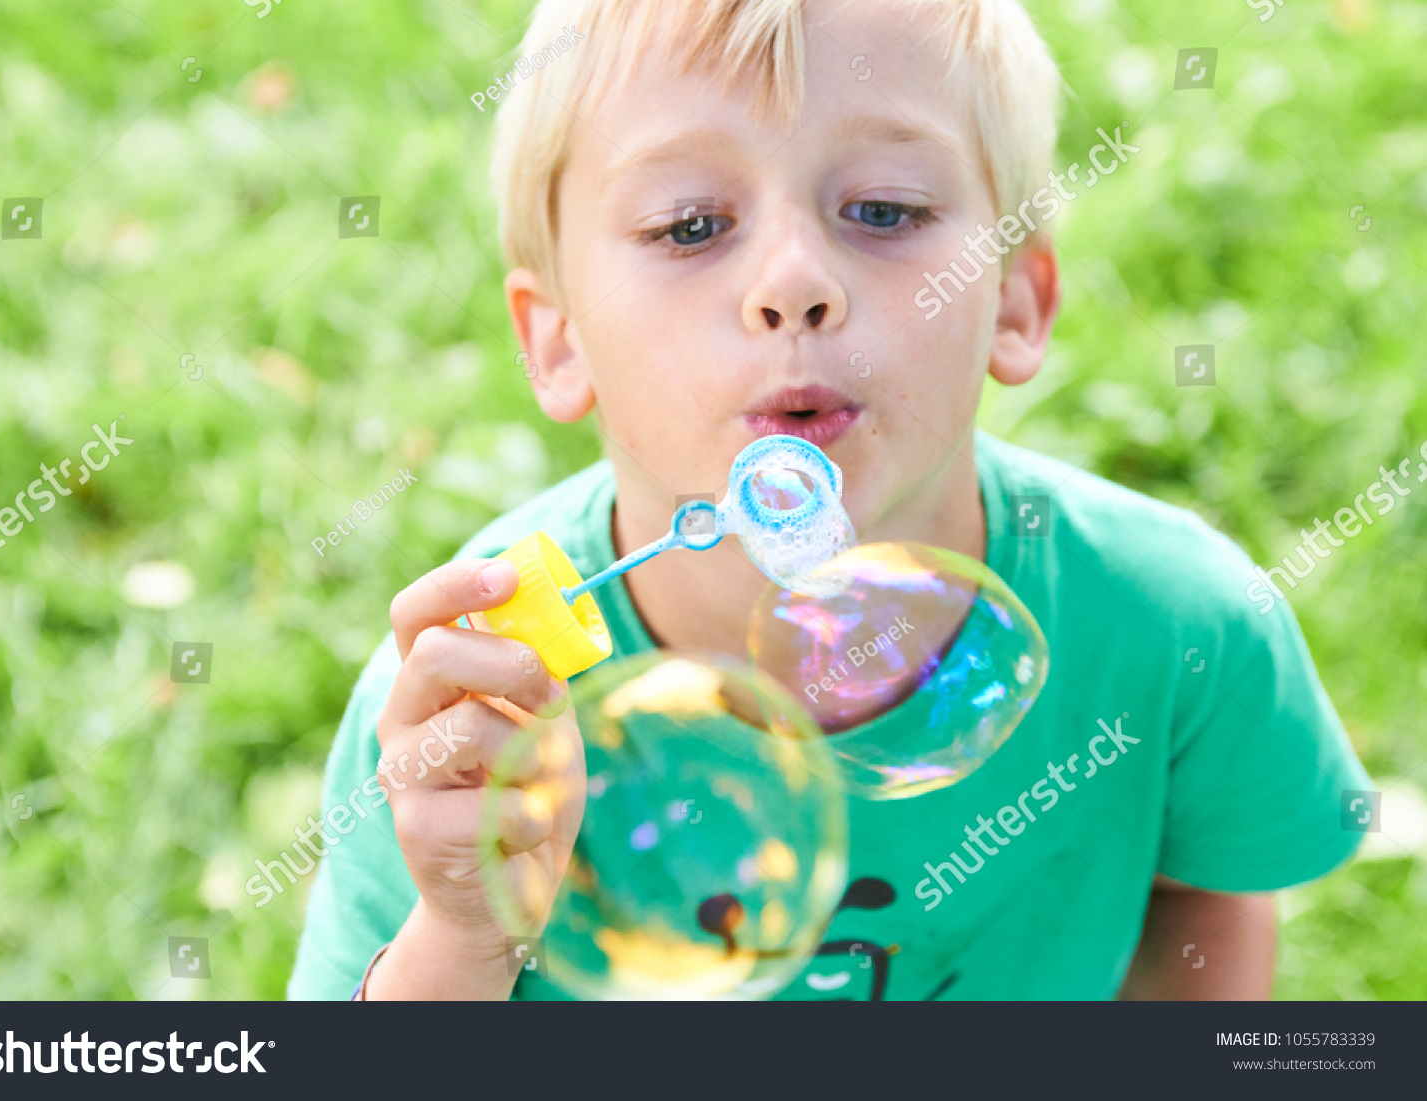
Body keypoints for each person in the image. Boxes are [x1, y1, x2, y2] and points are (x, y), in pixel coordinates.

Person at [288, 0, 1368, 1000]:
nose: (795, 281)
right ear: (559, 341)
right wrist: (467, 934)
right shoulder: (481, 712)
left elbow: (1203, 899)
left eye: (884, 210)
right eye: (689, 227)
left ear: (1014, 301)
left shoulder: (1174, 627)